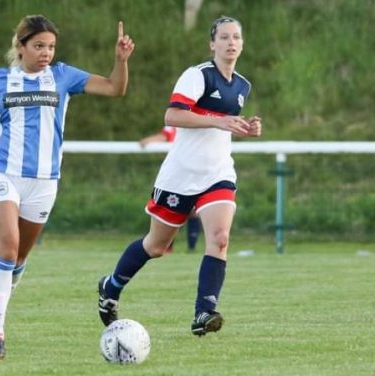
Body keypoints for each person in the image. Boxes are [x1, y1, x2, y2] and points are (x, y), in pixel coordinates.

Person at [0, 15, 135, 359]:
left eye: (50, 46)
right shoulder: (1, 79)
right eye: (38, 46)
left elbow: (115, 88)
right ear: (20, 47)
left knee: (19, 258)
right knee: (7, 249)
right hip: (3, 172)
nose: (46, 52)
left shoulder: (63, 76)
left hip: (45, 181)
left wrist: (120, 61)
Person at [98, 16, 262, 337]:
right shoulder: (197, 75)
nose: (231, 43)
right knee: (156, 246)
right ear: (211, 44)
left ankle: (204, 312)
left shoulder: (242, 85)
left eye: (236, 37)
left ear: (242, 44)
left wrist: (246, 128)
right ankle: (111, 286)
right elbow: (172, 115)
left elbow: (223, 127)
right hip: (181, 175)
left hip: (218, 174)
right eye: (224, 37)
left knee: (220, 239)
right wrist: (220, 120)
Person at [139, 126, 201, 253]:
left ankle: (185, 247)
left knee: (181, 209)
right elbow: (166, 134)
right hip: (185, 171)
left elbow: (165, 136)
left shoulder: (194, 117)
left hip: (189, 170)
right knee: (178, 209)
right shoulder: (180, 118)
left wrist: (147, 141)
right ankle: (178, 246)